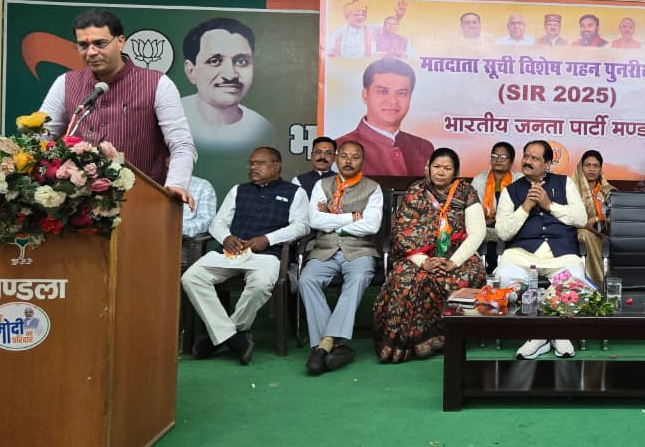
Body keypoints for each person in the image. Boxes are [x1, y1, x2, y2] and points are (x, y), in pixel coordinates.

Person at [38, 9, 195, 207]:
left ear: (120, 41)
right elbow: (41, 137)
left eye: (100, 43)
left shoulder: (158, 84)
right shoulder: (66, 83)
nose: (91, 52)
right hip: (79, 207)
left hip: (143, 205)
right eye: (83, 45)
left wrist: (176, 184)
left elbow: (182, 144)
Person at [181, 146, 309, 365]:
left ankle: (220, 336)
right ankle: (232, 336)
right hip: (231, 252)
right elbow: (218, 223)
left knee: (261, 284)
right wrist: (226, 238)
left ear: (276, 166)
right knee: (191, 277)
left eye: (259, 163)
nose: (253, 167)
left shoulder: (295, 192)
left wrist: (267, 239)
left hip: (267, 255)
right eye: (251, 163)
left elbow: (301, 226)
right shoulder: (238, 190)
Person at [374, 147, 486, 363]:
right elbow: (402, 233)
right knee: (404, 279)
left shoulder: (466, 192)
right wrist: (423, 261)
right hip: (418, 255)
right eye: (437, 166)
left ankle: (443, 338)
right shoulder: (415, 191)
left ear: (456, 172)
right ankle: (403, 345)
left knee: (470, 275)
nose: (441, 172)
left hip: (457, 255)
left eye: (447, 168)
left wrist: (453, 262)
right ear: (428, 167)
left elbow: (477, 233)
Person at [493, 140, 588, 360]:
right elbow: (503, 233)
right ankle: (550, 333)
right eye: (526, 156)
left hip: (560, 256)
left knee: (576, 281)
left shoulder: (565, 183)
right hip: (522, 256)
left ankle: (541, 336)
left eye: (535, 158)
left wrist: (549, 205)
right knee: (503, 280)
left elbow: (581, 219)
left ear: (547, 164)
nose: (528, 161)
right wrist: (525, 208)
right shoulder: (510, 191)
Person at [299, 140, 383, 375]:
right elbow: (316, 220)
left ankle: (323, 345)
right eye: (344, 156)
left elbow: (372, 225)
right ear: (337, 159)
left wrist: (334, 221)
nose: (348, 161)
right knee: (307, 280)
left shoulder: (373, 188)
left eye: (355, 157)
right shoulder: (322, 185)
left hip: (360, 250)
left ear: (362, 161)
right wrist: (353, 217)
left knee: (358, 278)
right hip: (324, 248)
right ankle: (334, 345)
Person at [180, 17, 276, 150]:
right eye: (214, 61)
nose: (230, 75)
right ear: (191, 71)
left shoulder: (263, 130)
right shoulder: (170, 116)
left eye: (241, 61)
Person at [335, 57, 433, 176]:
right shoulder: (339, 147)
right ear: (365, 95)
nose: (393, 101)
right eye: (382, 91)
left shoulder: (423, 148)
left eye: (402, 93)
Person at [573, 150, 615, 288]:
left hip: (604, 235)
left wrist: (597, 219)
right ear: (581, 167)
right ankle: (596, 286)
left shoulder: (609, 191)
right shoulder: (570, 189)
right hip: (575, 234)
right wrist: (585, 224)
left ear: (600, 168)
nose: (591, 169)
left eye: (596, 166)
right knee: (583, 234)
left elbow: (617, 215)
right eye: (588, 165)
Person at [325, 0, 407, 58]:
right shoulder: (339, 32)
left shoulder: (370, 30)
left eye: (363, 15)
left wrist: (398, 16)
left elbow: (389, 26)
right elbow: (329, 54)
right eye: (356, 15)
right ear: (347, 16)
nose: (360, 17)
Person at [470, 141, 514, 243]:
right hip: (483, 224)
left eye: (503, 157)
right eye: (494, 156)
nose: (498, 160)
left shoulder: (519, 179)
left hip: (510, 225)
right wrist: (484, 221)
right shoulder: (479, 179)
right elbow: (472, 207)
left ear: (511, 161)